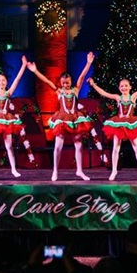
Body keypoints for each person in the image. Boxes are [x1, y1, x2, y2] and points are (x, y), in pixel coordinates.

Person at [27, 52, 96, 182]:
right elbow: (47, 81)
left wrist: (88, 63)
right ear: (61, 83)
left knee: (78, 144)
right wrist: (35, 71)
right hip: (62, 119)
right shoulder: (59, 92)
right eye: (63, 83)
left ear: (70, 82)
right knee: (58, 145)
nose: (65, 85)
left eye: (67, 82)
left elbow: (81, 77)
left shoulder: (75, 90)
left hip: (75, 119)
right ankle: (55, 171)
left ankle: (80, 170)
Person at [87, 63, 137, 181]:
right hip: (118, 124)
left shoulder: (133, 97)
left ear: (130, 87)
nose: (123, 88)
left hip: (131, 123)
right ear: (119, 88)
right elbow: (104, 93)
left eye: (125, 86)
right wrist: (93, 84)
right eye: (121, 86)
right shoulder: (117, 98)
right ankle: (114, 171)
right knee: (116, 148)